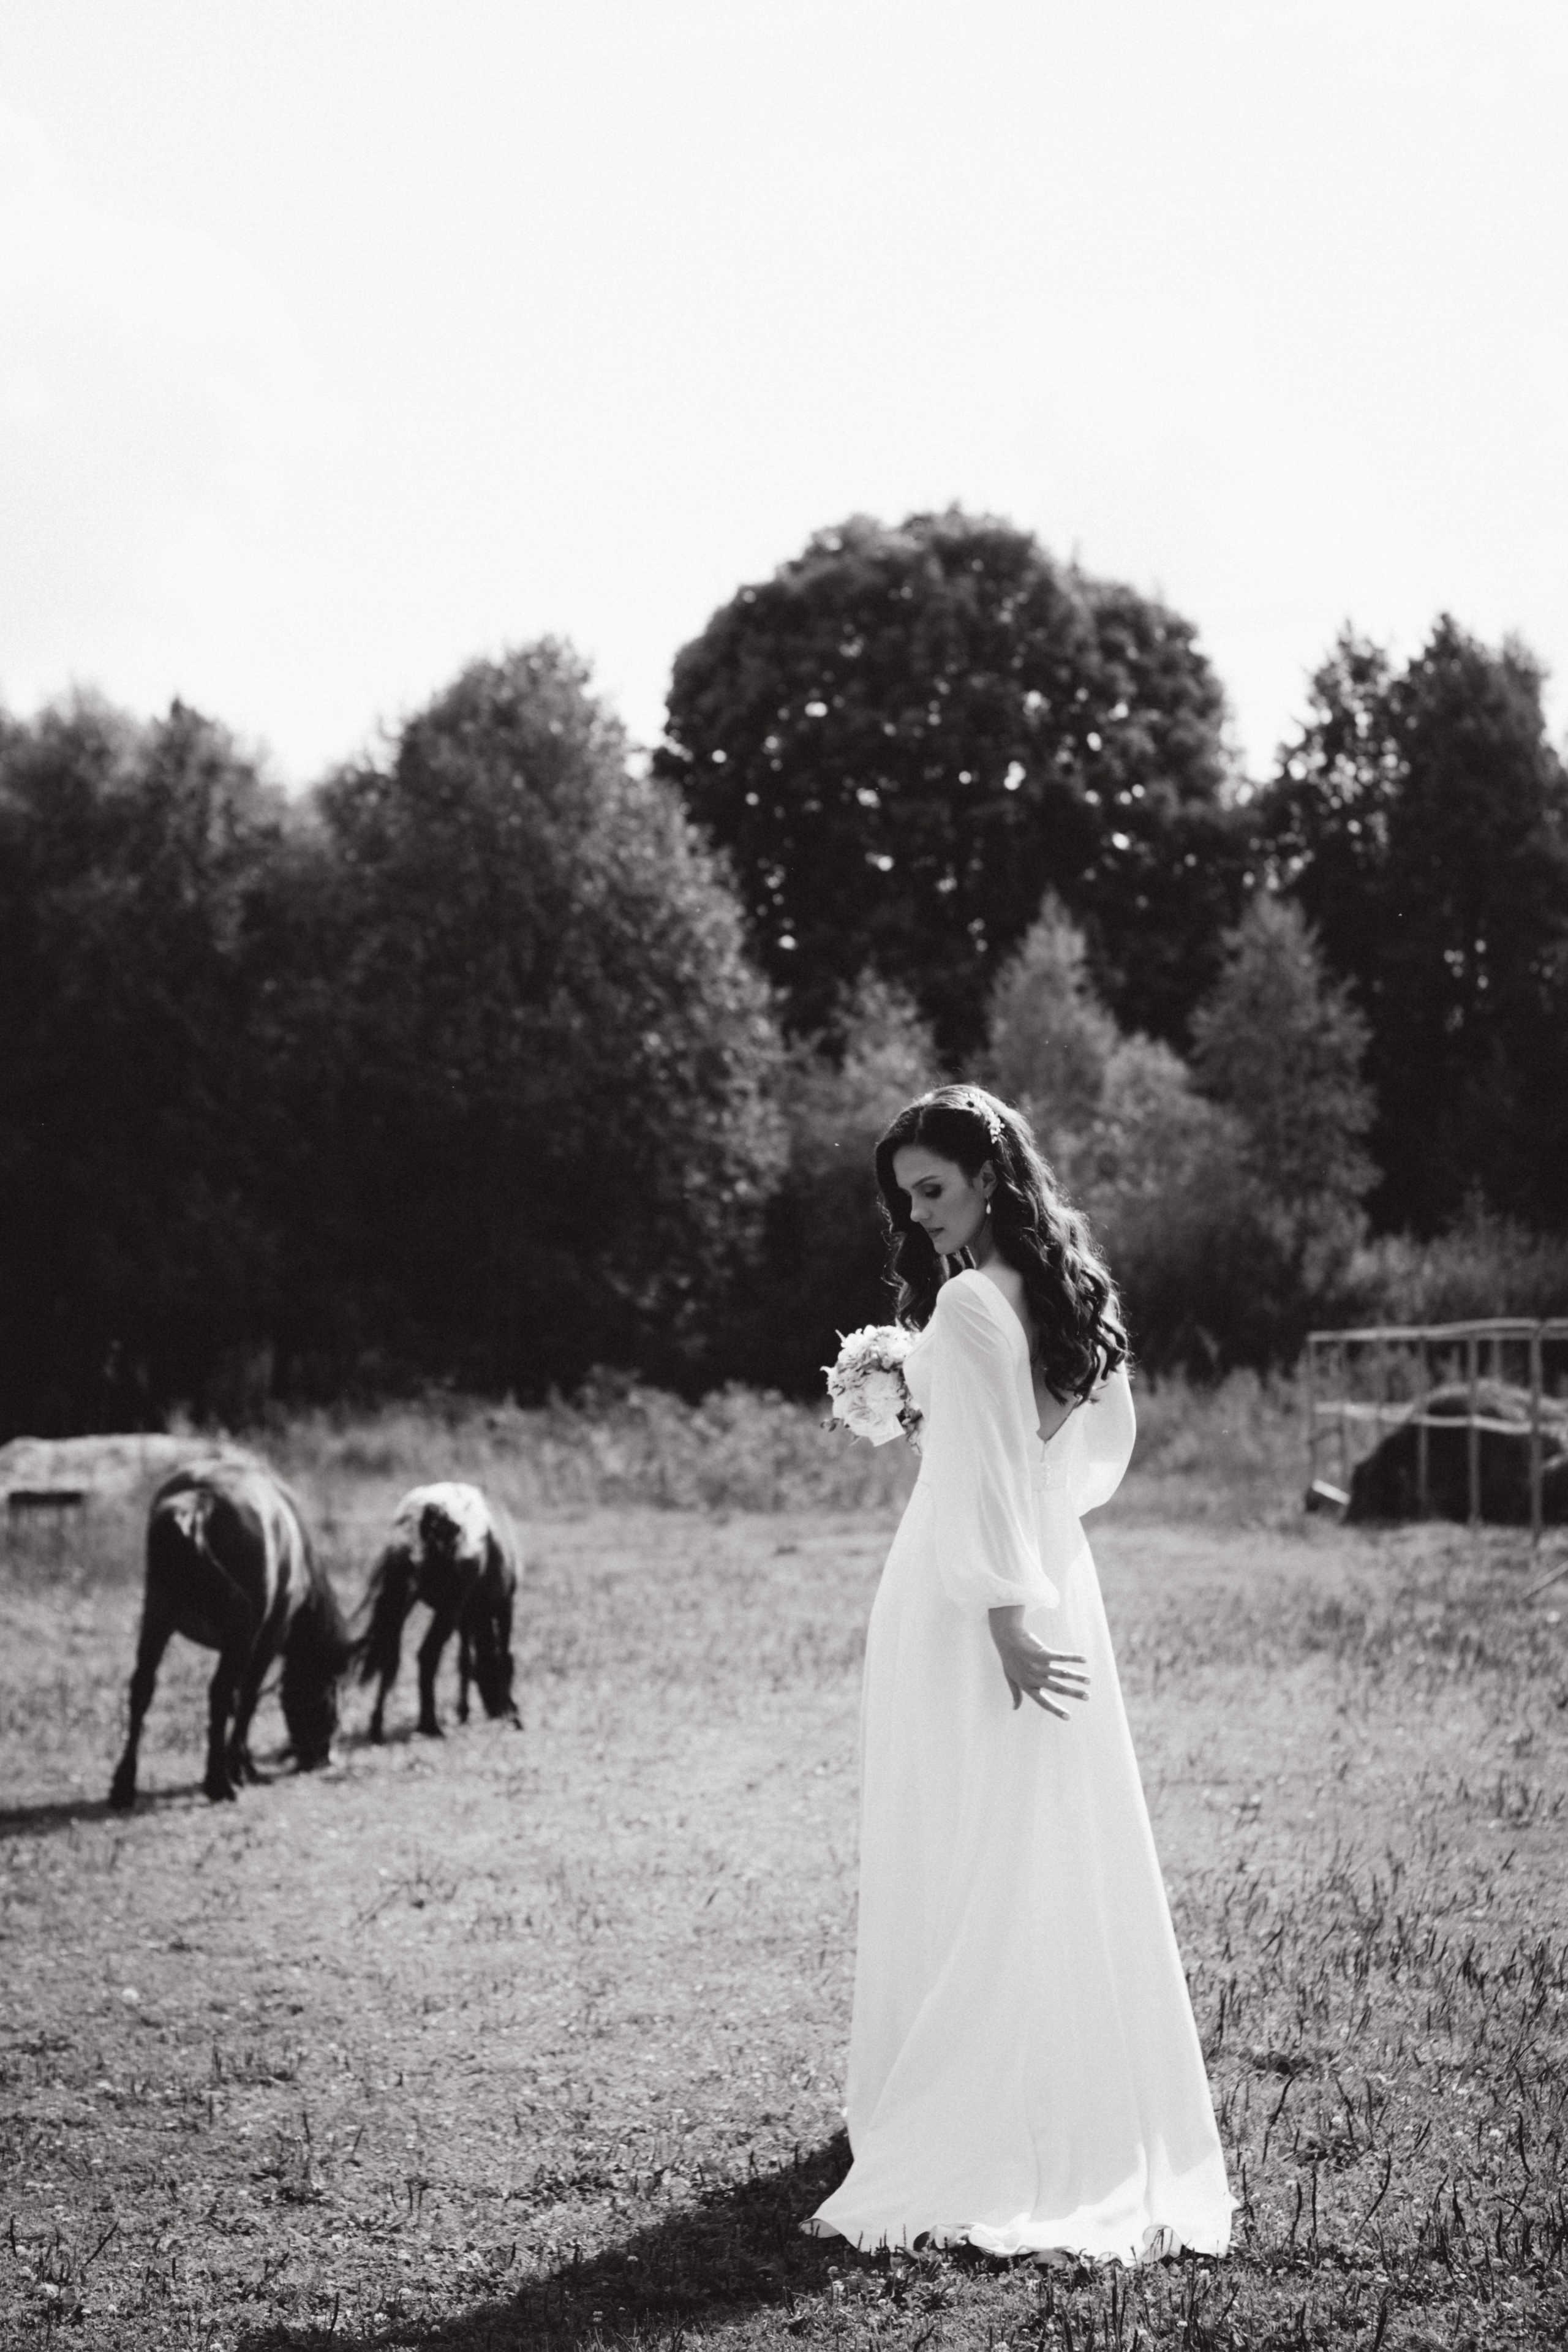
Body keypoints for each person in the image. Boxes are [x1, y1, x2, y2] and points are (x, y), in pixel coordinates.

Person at [809, 1085, 1234, 2262]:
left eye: (933, 1190)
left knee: (963, 1817)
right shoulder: (1060, 1291)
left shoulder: (968, 1305)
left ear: (991, 1179)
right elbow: (1085, 1452)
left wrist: (1001, 1610)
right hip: (1052, 1568)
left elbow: (984, 1467)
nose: (919, 1215)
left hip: (970, 1598)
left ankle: (966, 2087)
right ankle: (1027, 2063)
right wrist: (933, 1419)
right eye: (906, 1198)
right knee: (1028, 1820)